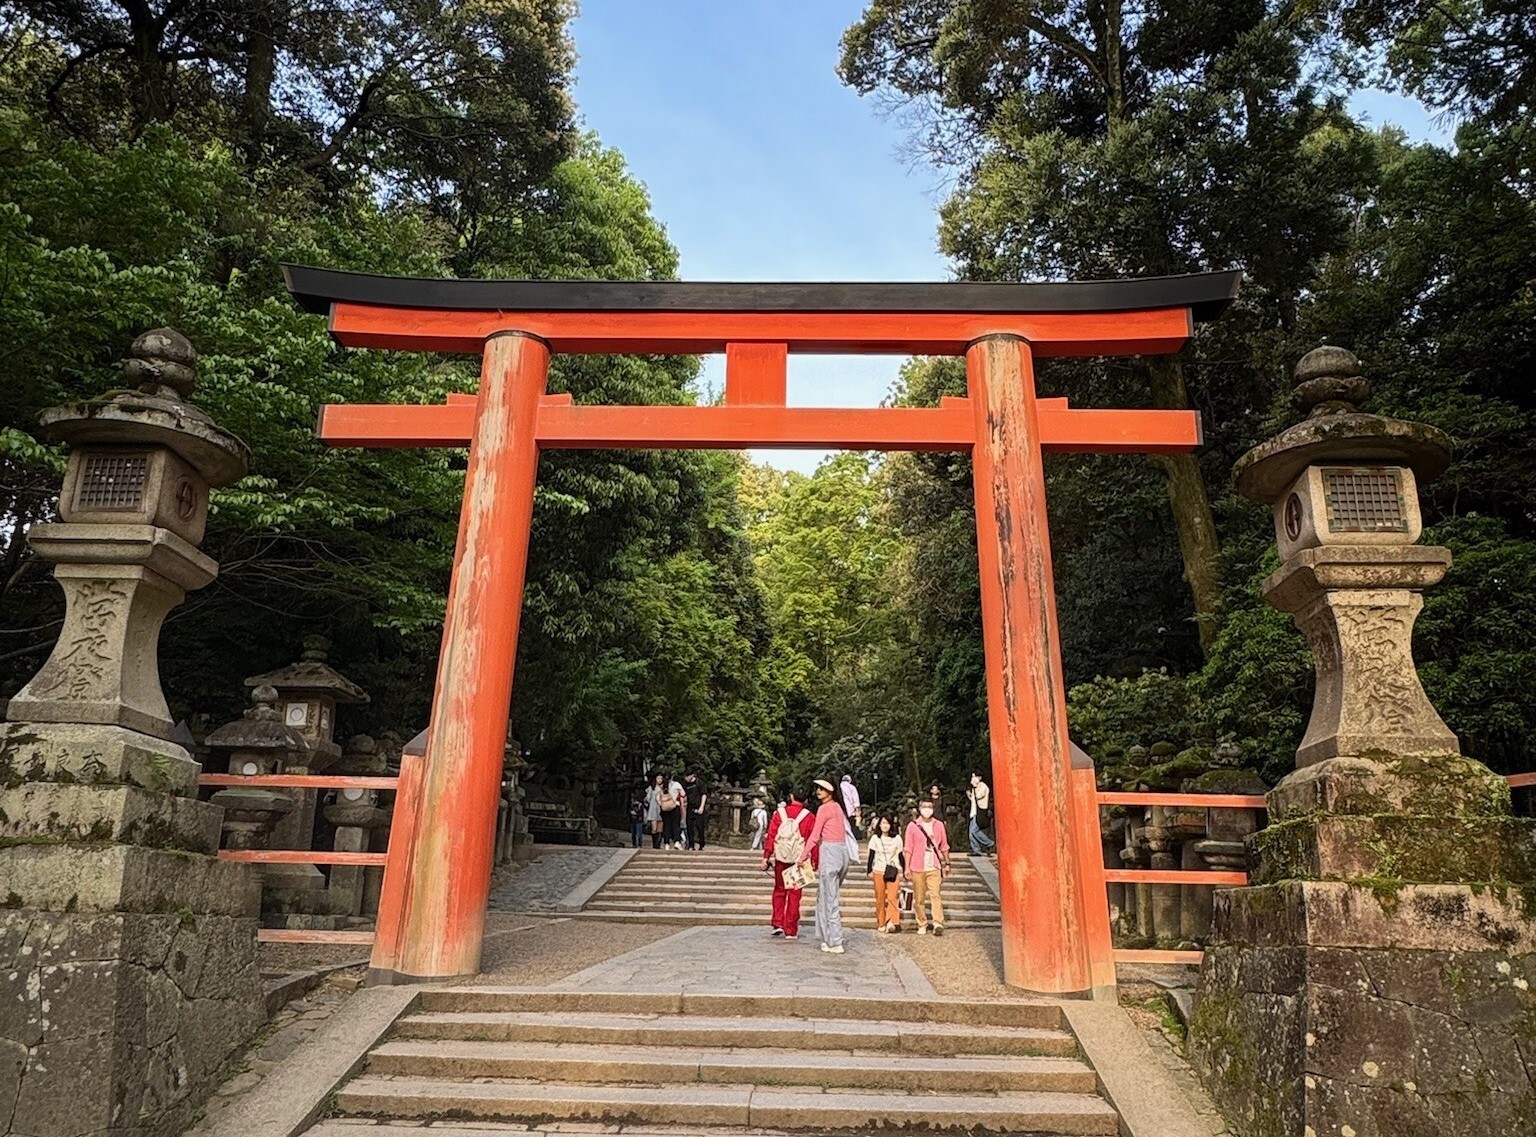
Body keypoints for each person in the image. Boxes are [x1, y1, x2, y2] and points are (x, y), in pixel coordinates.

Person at [802, 778, 854, 954]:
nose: (819, 791)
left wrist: (803, 855)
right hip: (841, 852)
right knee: (825, 896)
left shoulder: (825, 808)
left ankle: (835, 940)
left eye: (822, 788)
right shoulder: (839, 807)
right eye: (818, 788)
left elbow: (815, 835)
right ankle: (825, 937)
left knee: (829, 899)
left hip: (830, 852)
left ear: (830, 791)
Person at [763, 788, 816, 939]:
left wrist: (766, 856)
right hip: (799, 859)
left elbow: (772, 835)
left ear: (791, 796)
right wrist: (815, 860)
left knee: (779, 890)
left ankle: (777, 923)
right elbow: (813, 840)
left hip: (781, 857)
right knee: (794, 893)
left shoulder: (779, 813)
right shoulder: (809, 816)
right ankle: (790, 929)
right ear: (805, 799)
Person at [904, 797, 951, 936]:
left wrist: (947, 863)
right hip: (917, 865)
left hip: (934, 865)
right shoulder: (913, 826)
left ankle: (937, 922)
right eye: (924, 806)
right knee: (919, 898)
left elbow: (944, 845)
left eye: (929, 806)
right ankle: (922, 922)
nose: (927, 809)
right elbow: (908, 848)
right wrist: (906, 867)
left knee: (935, 895)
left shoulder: (939, 825)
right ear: (919, 808)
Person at [865, 813, 904, 933]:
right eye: (883, 823)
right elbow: (871, 855)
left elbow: (900, 855)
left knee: (893, 897)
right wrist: (869, 870)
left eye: (887, 823)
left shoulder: (897, 838)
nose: (885, 826)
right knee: (880, 897)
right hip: (878, 869)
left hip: (893, 869)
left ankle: (892, 921)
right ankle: (881, 922)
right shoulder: (875, 838)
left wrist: (904, 869)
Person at [967, 772, 997, 857]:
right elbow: (973, 799)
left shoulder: (983, 786)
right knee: (971, 832)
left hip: (980, 811)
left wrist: (975, 787)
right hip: (974, 811)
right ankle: (976, 849)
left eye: (975, 776)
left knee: (974, 830)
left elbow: (979, 796)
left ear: (979, 777)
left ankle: (989, 843)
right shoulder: (974, 787)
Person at [684, 770, 709, 850]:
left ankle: (702, 843)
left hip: (698, 806)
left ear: (691, 776)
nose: (686, 778)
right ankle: (691, 844)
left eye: (687, 776)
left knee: (700, 827)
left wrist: (702, 806)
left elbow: (703, 795)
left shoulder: (700, 783)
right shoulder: (686, 784)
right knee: (689, 826)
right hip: (689, 807)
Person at [660, 772, 685, 850]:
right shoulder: (676, 784)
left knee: (666, 825)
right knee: (676, 824)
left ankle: (666, 843)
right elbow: (683, 793)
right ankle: (677, 841)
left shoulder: (662, 786)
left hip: (664, 807)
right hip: (674, 806)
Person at [644, 773, 666, 849]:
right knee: (654, 828)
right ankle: (654, 844)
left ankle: (658, 845)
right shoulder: (651, 788)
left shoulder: (664, 788)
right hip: (653, 808)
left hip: (662, 808)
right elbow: (648, 798)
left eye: (661, 778)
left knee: (660, 828)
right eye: (658, 778)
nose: (660, 780)